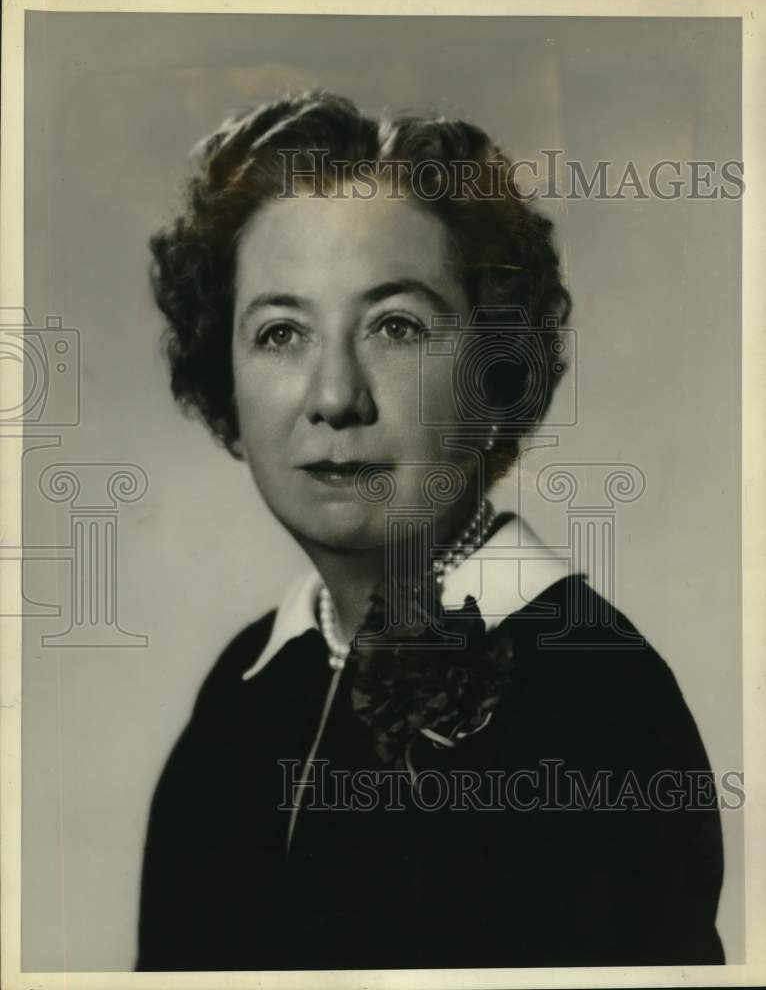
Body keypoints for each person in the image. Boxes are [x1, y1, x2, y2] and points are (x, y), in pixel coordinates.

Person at [136, 90, 725, 971]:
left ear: (495, 373)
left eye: (396, 326)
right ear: (223, 375)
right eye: (281, 332)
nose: (335, 397)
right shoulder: (242, 692)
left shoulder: (598, 698)